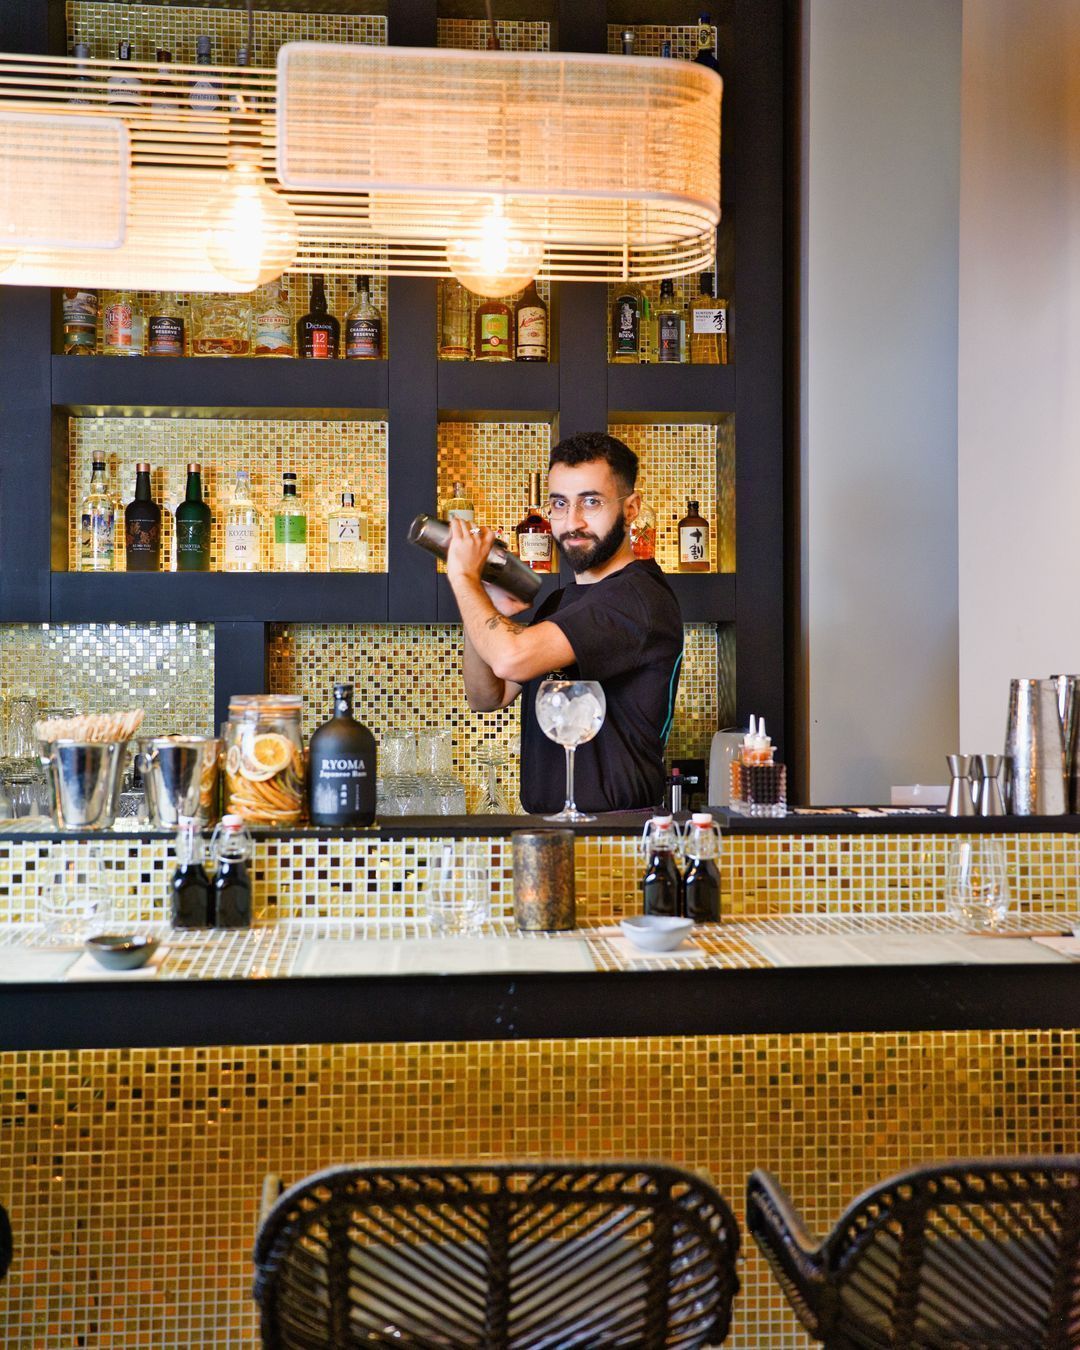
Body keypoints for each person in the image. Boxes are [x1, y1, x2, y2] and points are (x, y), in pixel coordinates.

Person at [445, 431, 684, 814]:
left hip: (615, 830)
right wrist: (484, 602)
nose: (572, 522)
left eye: (591, 502)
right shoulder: (561, 602)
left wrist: (462, 577)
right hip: (550, 823)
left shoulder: (636, 597)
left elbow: (510, 659)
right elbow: (487, 697)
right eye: (560, 503)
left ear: (631, 508)